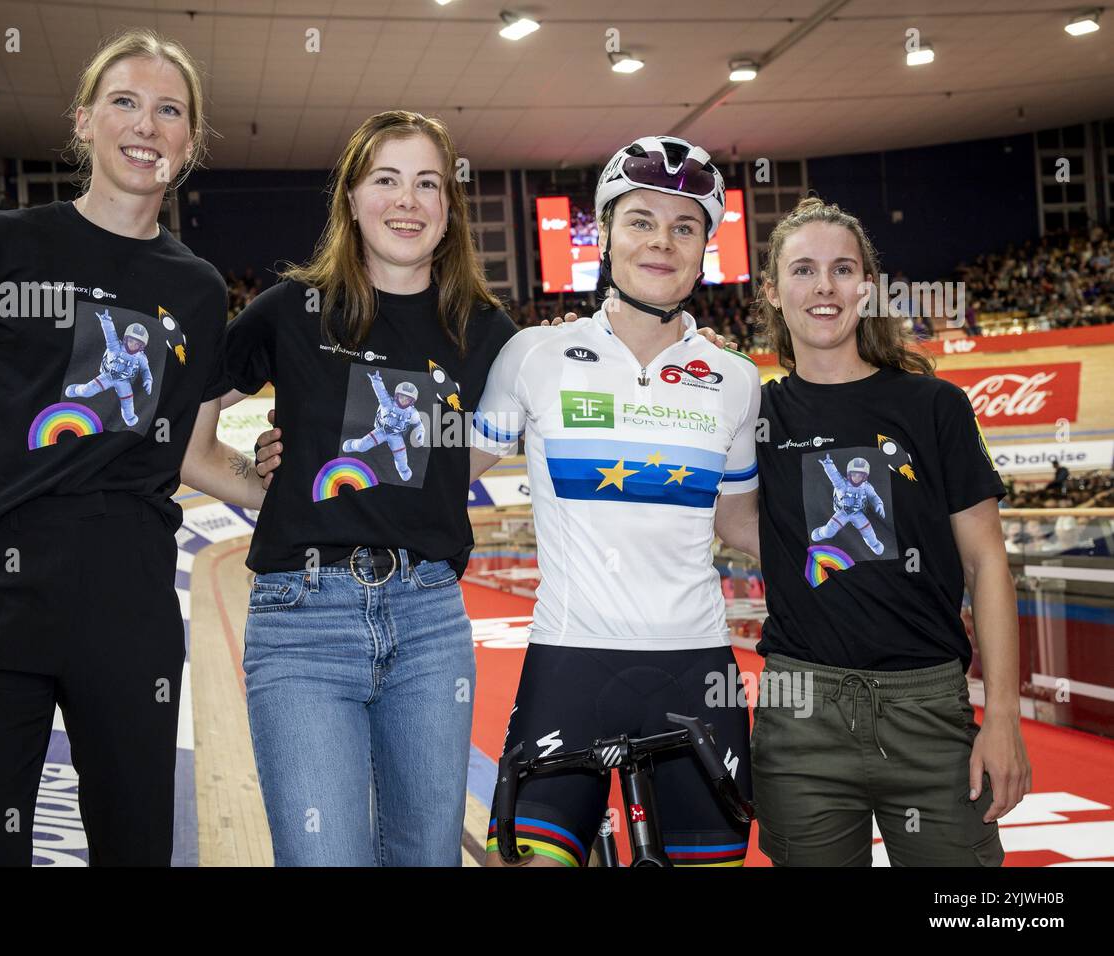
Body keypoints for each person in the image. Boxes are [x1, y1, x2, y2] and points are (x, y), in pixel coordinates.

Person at [0, 28, 276, 867]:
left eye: (169, 110)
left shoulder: (199, 289)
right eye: (125, 103)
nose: (146, 124)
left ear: (190, 142)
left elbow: (194, 454)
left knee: (134, 851)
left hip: (128, 608)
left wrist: (294, 488)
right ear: (84, 122)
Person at [212, 111, 517, 866]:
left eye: (428, 184)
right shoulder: (291, 308)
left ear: (449, 208)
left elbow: (474, 452)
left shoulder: (485, 329)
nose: (407, 200)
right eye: (386, 179)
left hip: (429, 624)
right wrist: (263, 487)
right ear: (351, 197)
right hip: (301, 622)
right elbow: (177, 435)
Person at [472, 136, 761, 867]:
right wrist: (318, 455)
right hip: (569, 663)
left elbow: (741, 521)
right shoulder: (534, 354)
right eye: (641, 220)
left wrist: (873, 565)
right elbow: (440, 476)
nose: (662, 241)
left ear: (705, 250)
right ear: (605, 236)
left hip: (697, 670)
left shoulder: (734, 377)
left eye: (684, 226)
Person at [751, 197, 1031, 866]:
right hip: (800, 718)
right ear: (771, 290)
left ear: (867, 289)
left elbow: (988, 565)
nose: (824, 287)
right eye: (804, 270)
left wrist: (1002, 715)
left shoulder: (934, 406)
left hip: (927, 712)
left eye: (843, 269)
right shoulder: (751, 413)